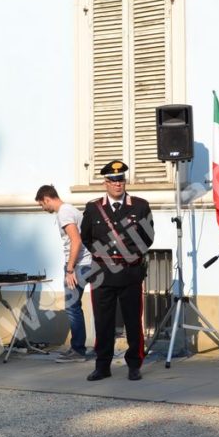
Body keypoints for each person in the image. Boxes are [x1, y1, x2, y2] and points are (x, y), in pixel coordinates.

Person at [81, 160, 154, 382]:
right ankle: (102, 366)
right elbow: (86, 237)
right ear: (105, 183)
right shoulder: (94, 207)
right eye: (113, 180)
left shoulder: (140, 206)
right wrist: (103, 255)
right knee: (103, 322)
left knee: (133, 321)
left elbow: (148, 237)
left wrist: (128, 255)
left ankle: (134, 365)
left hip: (130, 273)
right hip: (103, 273)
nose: (117, 184)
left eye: (121, 179)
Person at [35, 184, 93, 361]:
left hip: (79, 265)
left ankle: (78, 350)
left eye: (41, 205)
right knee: (74, 306)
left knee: (72, 307)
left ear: (46, 199)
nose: (43, 208)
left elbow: (76, 241)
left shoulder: (64, 212)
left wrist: (70, 269)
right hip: (84, 263)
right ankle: (78, 347)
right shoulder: (69, 210)